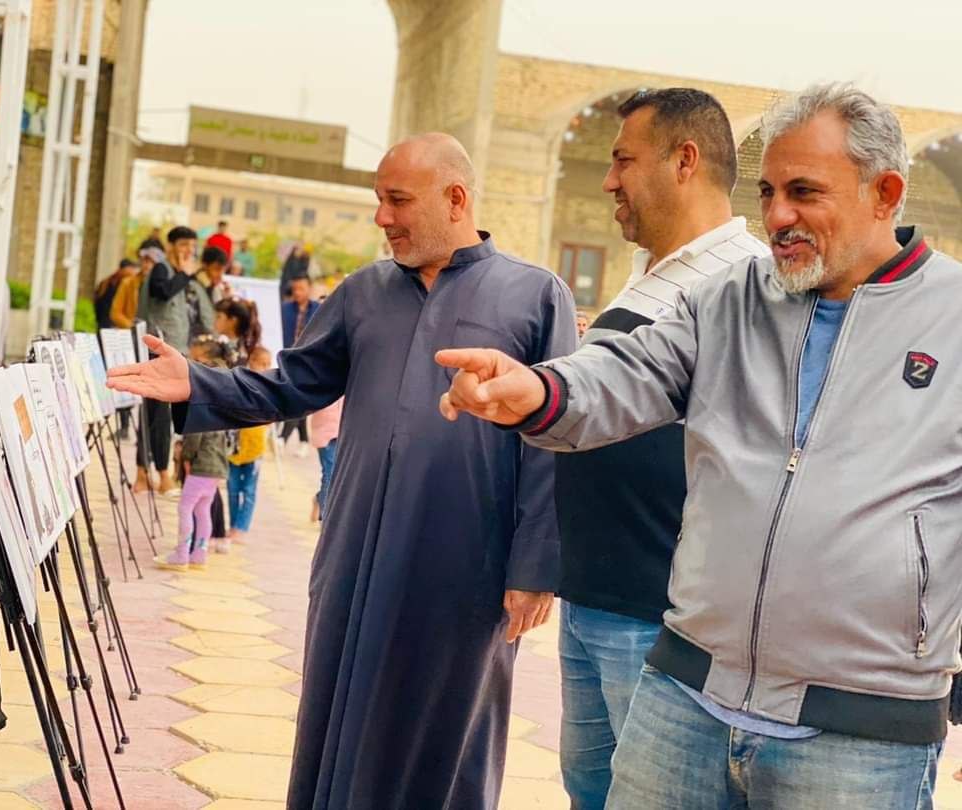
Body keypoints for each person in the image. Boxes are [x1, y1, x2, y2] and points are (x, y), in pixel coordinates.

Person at [438, 84, 956, 809]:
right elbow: (628, 372)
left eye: (804, 192)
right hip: (686, 698)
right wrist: (538, 390)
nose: (777, 216)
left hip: (863, 734)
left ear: (886, 193)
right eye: (769, 191)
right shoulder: (732, 298)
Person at [107, 131, 576, 809]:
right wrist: (198, 384)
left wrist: (535, 569)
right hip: (356, 551)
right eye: (378, 200)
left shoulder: (536, 296)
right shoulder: (362, 294)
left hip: (467, 563)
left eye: (397, 200)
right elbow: (291, 386)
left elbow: (554, 439)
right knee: (340, 715)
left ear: (455, 199)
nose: (382, 217)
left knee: (451, 729)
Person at [553, 89, 769, 807]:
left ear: (684, 161)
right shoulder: (648, 275)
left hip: (662, 622)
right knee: (591, 791)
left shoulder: (751, 286)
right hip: (592, 599)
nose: (608, 181)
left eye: (623, 161)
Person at [155, 335, 231, 571]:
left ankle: (181, 554)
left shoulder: (201, 408)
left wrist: (185, 456)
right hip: (217, 469)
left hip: (200, 468)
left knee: (185, 508)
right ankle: (200, 554)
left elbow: (194, 439)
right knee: (202, 510)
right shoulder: (224, 409)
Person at [134, 225, 200, 495]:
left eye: (192, 246)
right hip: (159, 350)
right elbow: (162, 292)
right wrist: (184, 274)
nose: (188, 251)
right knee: (160, 414)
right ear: (171, 246)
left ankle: (142, 474)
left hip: (171, 350)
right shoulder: (162, 269)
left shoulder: (176, 273)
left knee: (153, 414)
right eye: (183, 245)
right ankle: (162, 475)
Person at [221, 345, 273, 550]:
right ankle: (233, 525)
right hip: (234, 446)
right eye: (262, 364)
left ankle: (241, 528)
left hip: (255, 447)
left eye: (268, 364)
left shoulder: (270, 387)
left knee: (249, 490)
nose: (266, 368)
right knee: (233, 488)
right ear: (251, 362)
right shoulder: (241, 382)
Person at [279, 277, 319, 456]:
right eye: (294, 289)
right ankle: (303, 441)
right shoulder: (285, 308)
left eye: (301, 288)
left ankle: (282, 437)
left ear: (309, 289)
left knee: (298, 398)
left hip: (308, 360)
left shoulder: (318, 309)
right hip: (287, 358)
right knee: (298, 398)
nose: (297, 293)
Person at [310, 397, 343, 522]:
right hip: (326, 432)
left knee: (339, 476)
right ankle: (325, 521)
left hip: (346, 433)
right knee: (330, 475)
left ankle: (320, 498)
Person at [111, 246, 159, 329]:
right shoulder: (127, 283)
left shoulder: (160, 287)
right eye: (145, 260)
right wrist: (132, 326)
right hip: (131, 330)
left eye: (152, 262)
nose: (148, 265)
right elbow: (115, 313)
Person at [213, 298, 262, 362]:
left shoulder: (234, 353)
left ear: (233, 321)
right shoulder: (235, 348)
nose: (214, 321)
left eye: (218, 317)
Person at [95, 258, 137, 329]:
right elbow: (98, 299)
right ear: (123, 269)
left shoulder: (110, 280)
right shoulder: (109, 282)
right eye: (130, 269)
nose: (132, 273)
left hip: (110, 320)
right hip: (108, 320)